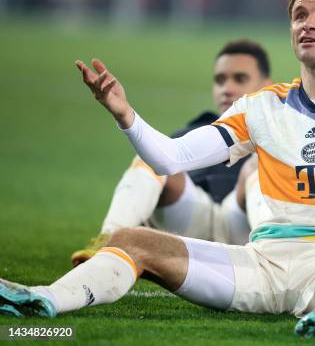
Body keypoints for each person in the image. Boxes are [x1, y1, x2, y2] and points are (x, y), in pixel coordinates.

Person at [0, 0, 315, 338]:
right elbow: (169, 159)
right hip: (262, 263)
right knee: (132, 239)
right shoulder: (261, 106)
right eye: (300, 15)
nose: (308, 23)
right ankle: (46, 300)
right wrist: (125, 114)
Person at [70, 40, 271, 266]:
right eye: (220, 80)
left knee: (257, 167)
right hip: (189, 220)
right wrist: (123, 114)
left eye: (240, 78)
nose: (227, 88)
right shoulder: (194, 131)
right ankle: (109, 241)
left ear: (266, 86)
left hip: (243, 224)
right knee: (148, 161)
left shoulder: (279, 133)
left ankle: (275, 253)